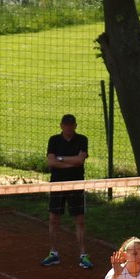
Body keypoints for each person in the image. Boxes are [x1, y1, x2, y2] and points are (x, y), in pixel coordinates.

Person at [42, 114, 91, 269]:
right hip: (57, 184)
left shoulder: (82, 139)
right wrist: (71, 161)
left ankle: (83, 255)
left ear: (75, 126)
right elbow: (51, 162)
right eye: (66, 125)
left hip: (76, 184)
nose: (68, 128)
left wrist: (60, 159)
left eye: (71, 125)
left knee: (80, 220)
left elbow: (80, 161)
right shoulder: (54, 140)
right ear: (61, 126)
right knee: (53, 219)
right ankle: (53, 253)